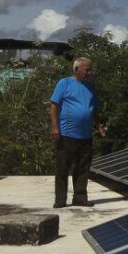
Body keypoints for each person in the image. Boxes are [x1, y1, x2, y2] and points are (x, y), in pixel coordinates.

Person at [49, 57, 106, 208]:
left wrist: (99, 126)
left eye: (90, 69)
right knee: (63, 167)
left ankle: (80, 197)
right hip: (67, 133)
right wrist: (55, 127)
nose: (90, 73)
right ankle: (60, 200)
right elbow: (54, 104)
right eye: (87, 70)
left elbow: (93, 108)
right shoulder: (65, 83)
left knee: (83, 167)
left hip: (86, 134)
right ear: (76, 69)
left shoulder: (90, 87)